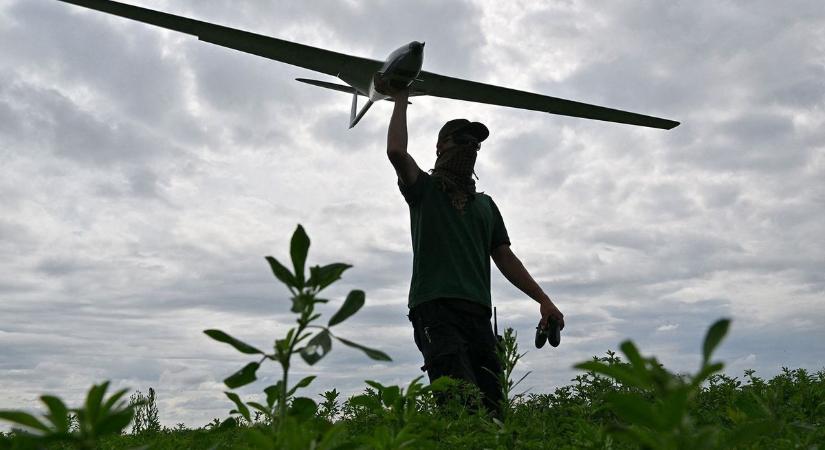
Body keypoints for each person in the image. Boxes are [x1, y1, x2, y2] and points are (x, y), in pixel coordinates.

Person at [385, 87, 565, 417]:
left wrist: (543, 299)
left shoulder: (485, 206)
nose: (469, 147)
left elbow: (506, 258)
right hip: (436, 310)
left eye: (474, 143)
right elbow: (397, 151)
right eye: (461, 140)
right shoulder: (423, 190)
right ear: (440, 147)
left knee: (493, 407)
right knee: (460, 404)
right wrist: (400, 96)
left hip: (478, 315)